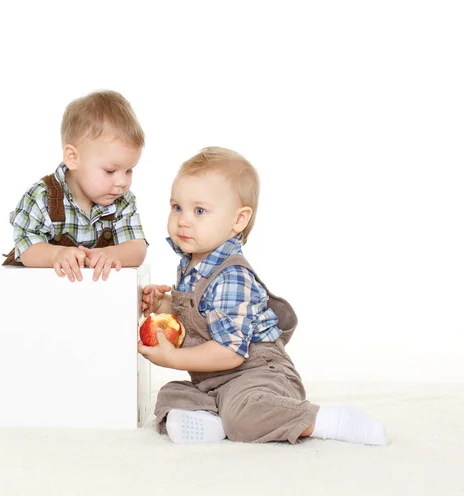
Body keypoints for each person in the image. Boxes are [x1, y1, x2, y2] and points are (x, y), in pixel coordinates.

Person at [138, 147, 389, 445]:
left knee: (244, 414)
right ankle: (210, 422)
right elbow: (200, 315)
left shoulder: (231, 276)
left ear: (239, 220)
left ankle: (323, 421)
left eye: (199, 210)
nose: (183, 220)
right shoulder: (191, 263)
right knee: (171, 393)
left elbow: (229, 352)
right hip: (213, 380)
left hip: (258, 373)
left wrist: (173, 357)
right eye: (176, 207)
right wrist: (162, 305)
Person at [7, 90, 148, 281]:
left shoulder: (122, 200)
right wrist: (56, 255)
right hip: (41, 291)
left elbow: (137, 248)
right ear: (73, 158)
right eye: (110, 171)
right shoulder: (41, 197)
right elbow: (26, 247)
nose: (122, 182)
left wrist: (113, 254)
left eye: (129, 170)